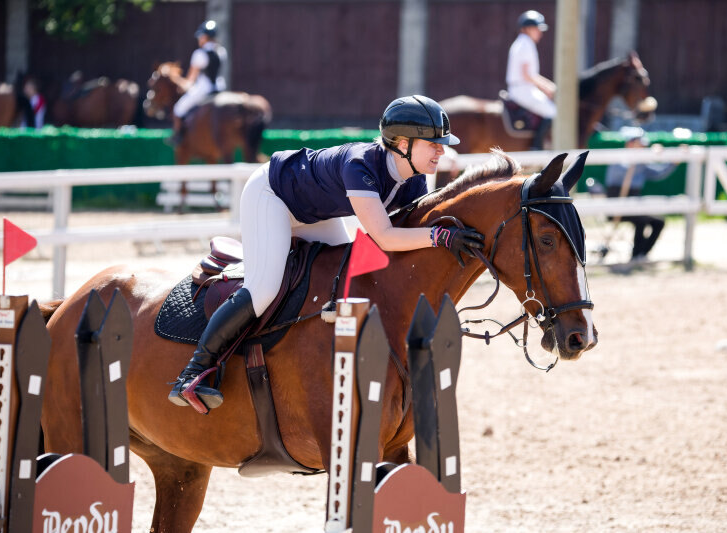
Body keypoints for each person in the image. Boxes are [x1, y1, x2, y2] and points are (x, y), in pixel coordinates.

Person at [168, 95, 485, 411]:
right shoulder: (360, 165)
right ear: (403, 144)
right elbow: (385, 237)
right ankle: (194, 372)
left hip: (314, 214)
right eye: (433, 143)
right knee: (264, 288)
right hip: (272, 195)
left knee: (342, 272)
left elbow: (406, 240)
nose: (442, 150)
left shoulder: (413, 181)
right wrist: (440, 236)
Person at [604, 127, 677, 262]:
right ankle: (636, 254)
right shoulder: (618, 160)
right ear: (630, 144)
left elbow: (658, 173)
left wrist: (672, 164)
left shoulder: (641, 164)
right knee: (641, 219)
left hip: (633, 207)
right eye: (640, 145)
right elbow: (622, 171)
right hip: (618, 208)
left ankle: (641, 253)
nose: (643, 147)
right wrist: (646, 156)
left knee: (658, 222)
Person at [169, 20, 228, 145]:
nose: (199, 39)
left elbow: (190, 80)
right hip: (219, 86)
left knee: (178, 109)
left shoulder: (199, 54)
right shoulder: (222, 51)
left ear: (205, 37)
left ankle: (178, 136)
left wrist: (175, 78)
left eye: (201, 36)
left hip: (204, 89)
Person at [505, 10, 556, 150]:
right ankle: (537, 147)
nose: (540, 32)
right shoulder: (526, 44)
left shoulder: (522, 43)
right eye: (536, 29)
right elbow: (527, 75)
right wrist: (548, 87)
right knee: (552, 112)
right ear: (526, 29)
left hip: (523, 87)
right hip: (522, 89)